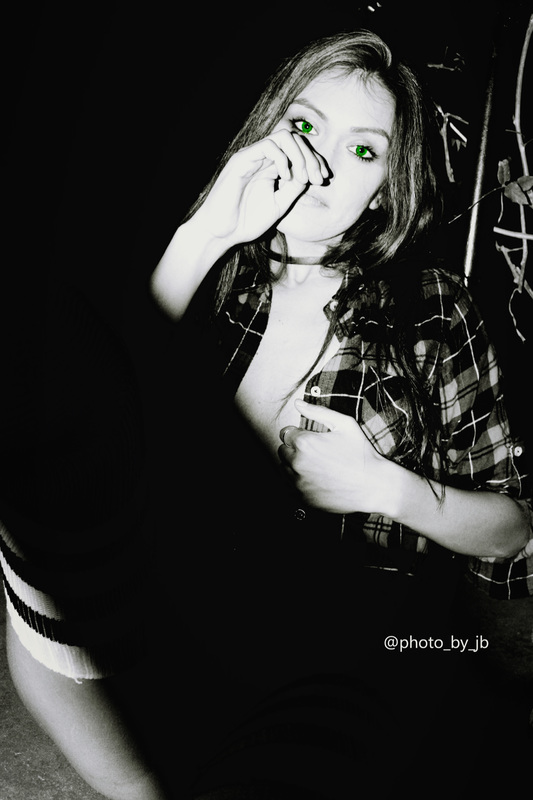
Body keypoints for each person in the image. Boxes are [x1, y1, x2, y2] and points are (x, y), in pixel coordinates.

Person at [150, 28, 533, 797]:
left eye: (362, 151)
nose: (320, 165)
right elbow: (93, 444)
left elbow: (512, 530)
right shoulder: (210, 279)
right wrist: (201, 235)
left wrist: (383, 487)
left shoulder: (431, 310)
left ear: (384, 188)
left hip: (365, 657)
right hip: (189, 637)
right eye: (304, 126)